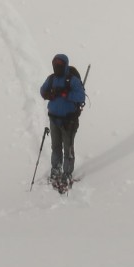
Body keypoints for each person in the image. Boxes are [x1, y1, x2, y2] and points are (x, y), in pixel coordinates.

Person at [39, 53, 86, 190]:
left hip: (69, 121)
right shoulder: (51, 79)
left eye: (59, 65)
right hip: (54, 119)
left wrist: (66, 94)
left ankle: (67, 173)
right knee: (56, 147)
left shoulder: (71, 80)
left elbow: (81, 96)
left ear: (65, 65)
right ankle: (56, 169)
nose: (56, 67)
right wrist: (49, 94)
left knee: (68, 148)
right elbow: (42, 91)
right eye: (54, 64)